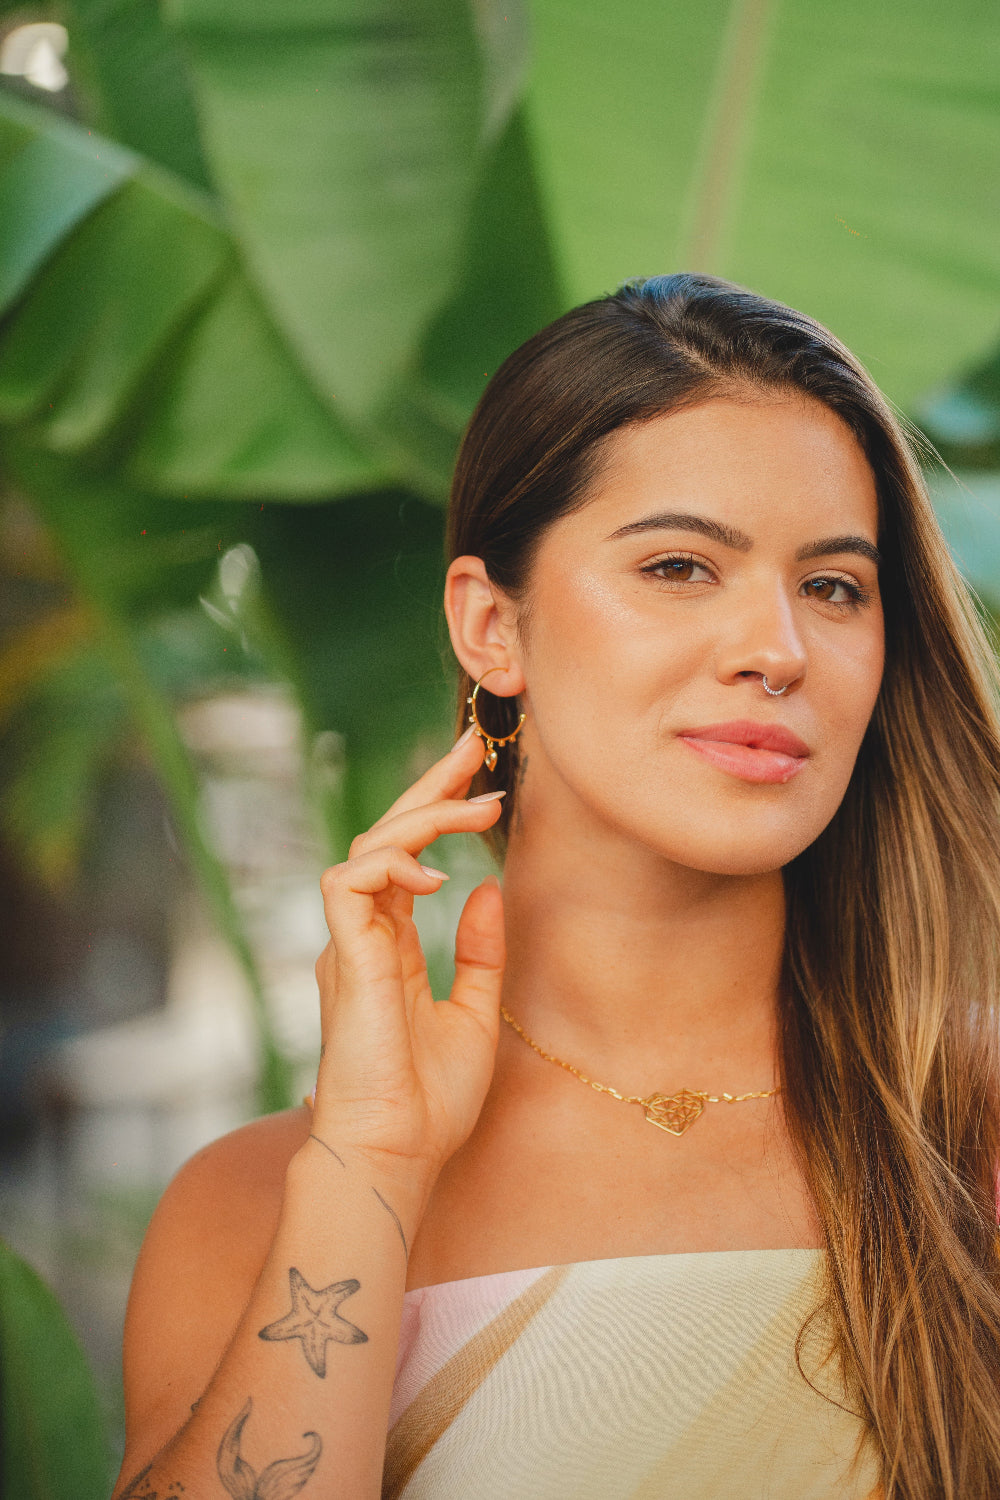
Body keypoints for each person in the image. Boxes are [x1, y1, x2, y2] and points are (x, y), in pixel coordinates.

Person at [112, 274, 1000, 1500]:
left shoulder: (970, 1128)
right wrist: (369, 1169)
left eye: (833, 586)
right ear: (492, 627)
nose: (778, 650)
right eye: (680, 566)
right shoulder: (254, 1205)